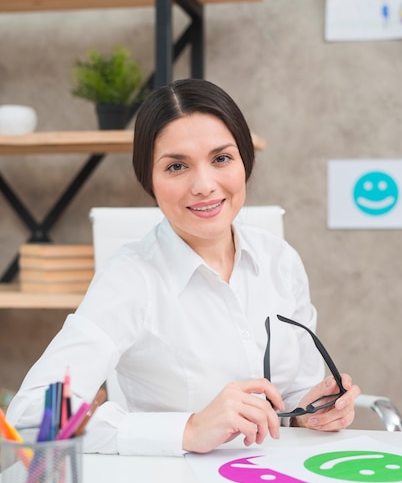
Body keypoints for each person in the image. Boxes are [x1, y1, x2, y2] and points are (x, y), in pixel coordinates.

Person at [7, 79, 360, 456]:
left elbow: (293, 396)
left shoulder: (281, 261)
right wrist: (188, 429)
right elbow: (31, 418)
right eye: (177, 166)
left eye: (221, 158)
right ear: (150, 181)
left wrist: (312, 412)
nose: (204, 185)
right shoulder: (130, 278)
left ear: (245, 163)